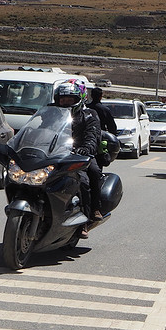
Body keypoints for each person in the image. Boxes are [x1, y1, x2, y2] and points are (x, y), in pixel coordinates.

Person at [53, 81, 102, 237]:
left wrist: (86, 148)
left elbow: (92, 136)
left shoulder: (89, 115)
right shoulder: (51, 113)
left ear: (78, 100)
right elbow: (39, 129)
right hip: (55, 153)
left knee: (90, 175)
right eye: (63, 100)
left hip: (79, 154)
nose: (66, 103)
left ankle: (88, 217)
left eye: (70, 100)